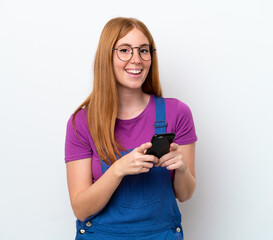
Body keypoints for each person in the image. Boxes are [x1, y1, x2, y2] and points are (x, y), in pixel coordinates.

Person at [65, 17, 197, 240]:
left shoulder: (177, 113)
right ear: (107, 56)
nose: (136, 59)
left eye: (144, 50)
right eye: (125, 50)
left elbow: (185, 194)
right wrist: (118, 170)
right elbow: (81, 209)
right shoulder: (81, 122)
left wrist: (182, 168)